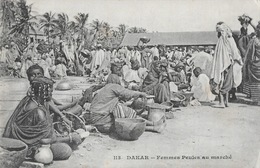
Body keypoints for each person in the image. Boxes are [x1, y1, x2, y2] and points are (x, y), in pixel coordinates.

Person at [3, 76, 83, 160]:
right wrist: (70, 138)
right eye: (51, 92)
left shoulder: (28, 100)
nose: (52, 95)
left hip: (21, 140)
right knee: (65, 150)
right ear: (44, 92)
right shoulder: (38, 112)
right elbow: (46, 140)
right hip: (29, 145)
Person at [88, 83, 166, 134]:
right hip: (100, 120)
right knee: (124, 114)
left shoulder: (106, 88)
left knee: (122, 110)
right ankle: (153, 127)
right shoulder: (113, 86)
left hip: (96, 118)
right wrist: (140, 93)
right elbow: (128, 93)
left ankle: (153, 124)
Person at [210, 22, 243, 108]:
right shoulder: (228, 39)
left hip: (222, 65)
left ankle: (222, 102)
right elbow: (234, 51)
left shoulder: (221, 40)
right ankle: (225, 102)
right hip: (228, 63)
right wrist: (239, 60)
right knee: (227, 82)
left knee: (222, 81)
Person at [243, 22, 260, 103]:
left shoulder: (254, 41)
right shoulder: (254, 40)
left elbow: (249, 55)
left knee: (255, 83)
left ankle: (257, 99)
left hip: (255, 66)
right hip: (256, 65)